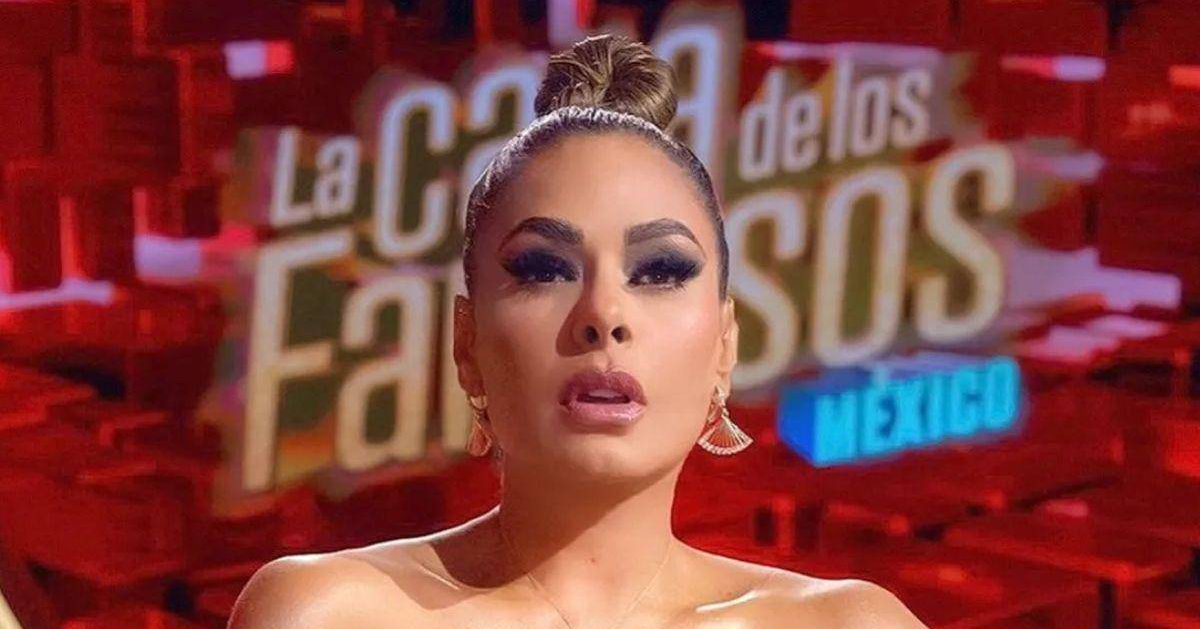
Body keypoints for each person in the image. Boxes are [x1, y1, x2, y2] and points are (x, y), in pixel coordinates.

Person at [228, 33, 927, 629]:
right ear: (466, 343)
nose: (603, 313)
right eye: (544, 268)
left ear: (724, 346)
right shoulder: (333, 613)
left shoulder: (848, 623)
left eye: (659, 271)